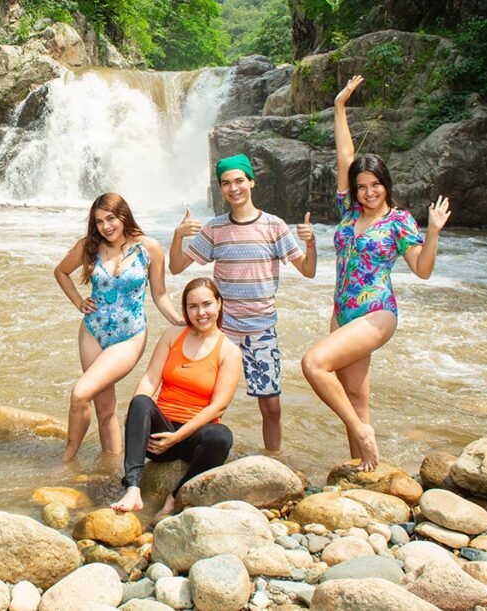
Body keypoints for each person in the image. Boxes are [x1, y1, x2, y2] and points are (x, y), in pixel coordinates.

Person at [301, 74, 451, 471]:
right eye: (362, 186)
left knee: (314, 363)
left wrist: (433, 233)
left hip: (377, 312)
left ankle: (364, 435)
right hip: (342, 310)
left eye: (375, 185)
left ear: (386, 185)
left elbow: (421, 269)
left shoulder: (399, 221)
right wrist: (339, 106)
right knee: (355, 396)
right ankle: (363, 470)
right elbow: (345, 156)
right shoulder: (349, 212)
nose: (368, 192)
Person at [169, 153, 315, 452]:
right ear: (220, 189)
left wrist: (311, 244)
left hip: (261, 330)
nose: (233, 188)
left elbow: (308, 270)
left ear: (251, 181)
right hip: (222, 331)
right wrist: (177, 236)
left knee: (272, 408)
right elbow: (176, 267)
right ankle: (194, 452)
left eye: (239, 181)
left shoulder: (275, 226)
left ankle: (273, 461)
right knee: (205, 398)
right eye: (226, 183)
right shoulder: (215, 228)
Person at [54, 193, 183, 463]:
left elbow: (159, 294)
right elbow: (60, 272)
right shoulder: (89, 246)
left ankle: (67, 460)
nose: (105, 226)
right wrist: (79, 302)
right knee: (105, 408)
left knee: (80, 394)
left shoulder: (150, 248)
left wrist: (178, 320)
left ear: (124, 215)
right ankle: (110, 466)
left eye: (110, 218)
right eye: (99, 221)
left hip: (129, 335)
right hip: (92, 330)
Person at [111, 278, 241, 517]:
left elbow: (218, 406)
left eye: (207, 304)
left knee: (222, 436)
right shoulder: (172, 336)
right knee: (140, 401)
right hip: (160, 435)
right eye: (193, 306)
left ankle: (174, 497)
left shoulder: (229, 352)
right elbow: (150, 379)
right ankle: (133, 489)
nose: (201, 312)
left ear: (219, 304)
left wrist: (177, 437)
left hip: (195, 436)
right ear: (185, 309)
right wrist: (136, 418)